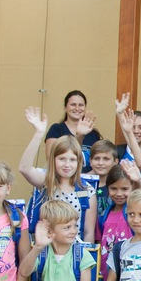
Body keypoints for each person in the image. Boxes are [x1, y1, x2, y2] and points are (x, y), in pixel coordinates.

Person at [20, 107, 98, 243]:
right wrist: (39, 133)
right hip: (47, 250)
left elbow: (88, 232)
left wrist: (87, 255)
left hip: (73, 252)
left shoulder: (87, 191)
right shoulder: (46, 183)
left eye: (72, 160)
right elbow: (24, 168)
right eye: (62, 159)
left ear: (79, 162)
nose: (67, 164)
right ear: (53, 159)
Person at [44, 90, 103, 171]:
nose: (77, 108)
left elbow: (100, 161)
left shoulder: (93, 134)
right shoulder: (57, 129)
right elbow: (50, 158)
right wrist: (79, 136)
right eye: (73, 105)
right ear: (65, 108)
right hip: (63, 177)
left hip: (88, 177)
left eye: (81, 105)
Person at [90, 140, 120, 226]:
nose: (100, 163)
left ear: (115, 162)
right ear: (90, 161)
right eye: (96, 158)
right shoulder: (84, 186)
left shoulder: (119, 187)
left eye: (106, 159)